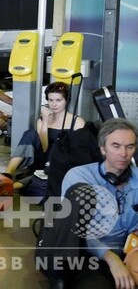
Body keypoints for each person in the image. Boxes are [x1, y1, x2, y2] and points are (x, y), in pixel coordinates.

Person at [59, 118, 138, 288]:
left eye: (130, 146)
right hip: (91, 253)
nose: (123, 153)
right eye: (116, 146)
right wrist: (111, 258)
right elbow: (75, 230)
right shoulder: (79, 177)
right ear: (103, 148)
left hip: (131, 249)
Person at [4, 81, 85, 196]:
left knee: (59, 146)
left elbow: (78, 152)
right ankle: (7, 174)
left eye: (58, 100)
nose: (54, 104)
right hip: (43, 158)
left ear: (66, 101)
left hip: (60, 163)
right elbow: (44, 146)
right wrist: (45, 121)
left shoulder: (77, 122)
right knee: (30, 134)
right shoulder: (42, 120)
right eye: (51, 100)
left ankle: (15, 186)